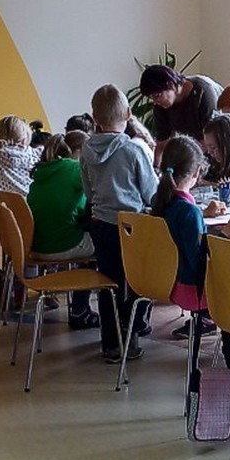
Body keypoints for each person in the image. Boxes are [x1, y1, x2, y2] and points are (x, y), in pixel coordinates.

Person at [80, 84, 158, 363]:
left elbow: (88, 192)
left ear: (94, 118)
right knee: (136, 281)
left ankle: (110, 344)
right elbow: (150, 192)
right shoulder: (133, 149)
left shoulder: (86, 150)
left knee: (108, 282)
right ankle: (132, 333)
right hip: (131, 226)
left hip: (101, 223)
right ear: (128, 114)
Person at [27, 133, 98, 330]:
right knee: (106, 243)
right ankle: (81, 310)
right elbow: (97, 196)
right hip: (62, 245)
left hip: (37, 247)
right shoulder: (74, 169)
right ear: (80, 152)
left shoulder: (41, 172)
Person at [151, 135, 215, 340]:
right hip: (189, 285)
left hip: (162, 278)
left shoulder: (159, 201)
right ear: (196, 173)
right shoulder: (189, 212)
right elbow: (199, 260)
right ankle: (208, 318)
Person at [139, 64, 222, 164]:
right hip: (197, 148)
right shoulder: (160, 105)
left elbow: (211, 139)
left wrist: (181, 159)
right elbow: (161, 142)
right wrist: (156, 167)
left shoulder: (203, 93)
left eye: (157, 95)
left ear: (170, 84)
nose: (155, 102)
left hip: (220, 146)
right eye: (151, 98)